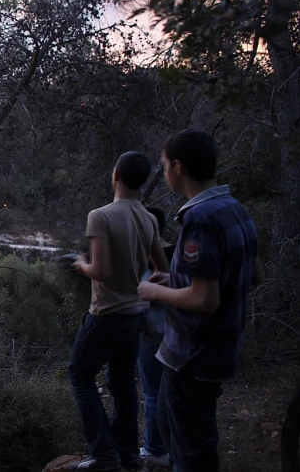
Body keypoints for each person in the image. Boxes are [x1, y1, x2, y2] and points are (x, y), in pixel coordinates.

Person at [138, 129, 258, 472]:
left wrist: (154, 291)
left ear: (179, 167)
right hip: (218, 348)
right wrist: (175, 278)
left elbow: (205, 299)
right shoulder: (235, 210)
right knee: (173, 426)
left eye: (164, 166)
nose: (163, 173)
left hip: (193, 355)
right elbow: (250, 275)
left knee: (191, 452)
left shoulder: (200, 219)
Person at [70, 151, 169, 471]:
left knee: (81, 374)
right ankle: (128, 455)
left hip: (107, 313)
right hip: (136, 315)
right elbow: (163, 268)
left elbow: (99, 269)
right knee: (123, 382)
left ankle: (105, 454)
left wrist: (81, 265)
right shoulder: (149, 217)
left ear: (115, 175)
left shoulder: (101, 215)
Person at [137, 206, 176, 467]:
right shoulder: (176, 253)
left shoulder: (158, 257)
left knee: (155, 395)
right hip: (165, 334)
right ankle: (167, 446)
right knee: (165, 395)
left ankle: (155, 448)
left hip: (159, 336)